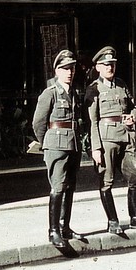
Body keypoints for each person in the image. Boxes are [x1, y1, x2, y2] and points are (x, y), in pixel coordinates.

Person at [85, 46, 136, 234]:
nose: (110, 68)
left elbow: (133, 107)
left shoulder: (122, 85)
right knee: (106, 182)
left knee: (135, 177)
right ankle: (113, 221)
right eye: (106, 65)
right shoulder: (93, 89)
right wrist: (96, 148)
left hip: (126, 136)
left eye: (113, 64)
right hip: (107, 139)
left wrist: (134, 116)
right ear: (98, 67)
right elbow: (92, 121)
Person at [32, 49, 83, 248]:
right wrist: (48, 143)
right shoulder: (50, 93)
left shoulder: (73, 93)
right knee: (58, 186)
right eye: (64, 68)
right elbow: (38, 122)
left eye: (72, 68)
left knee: (70, 187)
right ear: (56, 71)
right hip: (57, 146)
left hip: (73, 145)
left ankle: (65, 227)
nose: (69, 72)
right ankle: (53, 231)